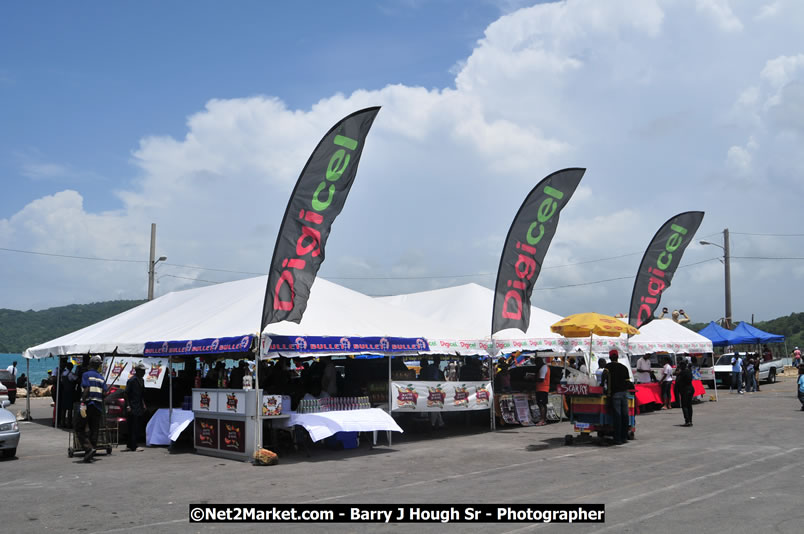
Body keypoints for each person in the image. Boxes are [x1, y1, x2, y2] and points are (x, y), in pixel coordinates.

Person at [76, 356, 107, 463]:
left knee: (79, 428)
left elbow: (86, 389)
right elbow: (104, 393)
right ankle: (91, 452)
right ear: (98, 366)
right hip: (97, 407)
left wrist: (82, 402)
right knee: (94, 430)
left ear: (90, 364)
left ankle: (89, 449)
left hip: (88, 404)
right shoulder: (101, 378)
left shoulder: (86, 375)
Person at [603, 350, 632, 445]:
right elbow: (628, 382)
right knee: (625, 416)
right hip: (624, 393)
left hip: (615, 394)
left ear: (610, 357)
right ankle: (624, 437)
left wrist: (603, 385)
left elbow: (604, 377)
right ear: (617, 357)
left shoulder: (608, 367)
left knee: (617, 417)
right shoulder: (624, 368)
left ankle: (617, 438)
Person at [124, 362, 147, 452]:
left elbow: (141, 395)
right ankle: (133, 446)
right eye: (142, 371)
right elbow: (126, 393)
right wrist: (128, 406)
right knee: (132, 426)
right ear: (137, 371)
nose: (144, 373)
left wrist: (143, 404)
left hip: (139, 406)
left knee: (137, 426)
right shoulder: (132, 380)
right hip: (132, 406)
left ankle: (130, 444)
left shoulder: (142, 381)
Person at [675, 360, 694, 426]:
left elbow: (677, 382)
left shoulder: (682, 373)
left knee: (684, 406)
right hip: (691, 389)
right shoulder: (689, 371)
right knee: (689, 405)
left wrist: (678, 374)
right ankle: (690, 420)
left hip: (685, 390)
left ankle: (687, 421)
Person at [532, 357, 550, 426]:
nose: (536, 365)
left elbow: (541, 379)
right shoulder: (545, 367)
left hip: (542, 389)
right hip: (542, 388)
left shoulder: (543, 368)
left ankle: (542, 420)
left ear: (539, 362)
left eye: (536, 363)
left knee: (541, 404)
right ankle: (544, 420)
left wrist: (533, 378)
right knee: (543, 404)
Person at [59, 363, 78, 428]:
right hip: (70, 392)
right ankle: (69, 423)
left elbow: (61, 382)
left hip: (64, 391)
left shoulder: (63, 374)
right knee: (70, 408)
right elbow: (76, 379)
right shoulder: (70, 374)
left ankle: (62, 422)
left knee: (63, 408)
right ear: (71, 367)